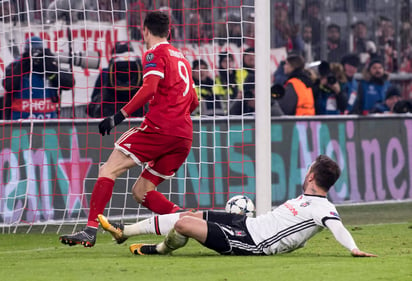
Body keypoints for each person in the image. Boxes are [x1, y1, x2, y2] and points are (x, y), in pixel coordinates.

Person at [59, 11, 199, 247]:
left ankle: (90, 229)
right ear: (169, 32)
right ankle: (185, 220)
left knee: (108, 169)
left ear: (144, 30)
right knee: (141, 191)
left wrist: (118, 116)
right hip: (183, 135)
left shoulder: (155, 53)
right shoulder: (182, 59)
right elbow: (194, 102)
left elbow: (149, 88)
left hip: (159, 128)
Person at [98, 155, 377, 258]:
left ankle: (157, 250)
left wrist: (352, 248)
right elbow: (296, 231)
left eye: (309, 169)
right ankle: (124, 232)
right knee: (189, 215)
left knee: (184, 225)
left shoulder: (323, 208)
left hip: (252, 242)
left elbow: (336, 226)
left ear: (311, 176)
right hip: (247, 224)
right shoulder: (305, 200)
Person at [2, 36, 75, 120]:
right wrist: (23, 64)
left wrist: (50, 68)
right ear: (26, 51)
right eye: (32, 52)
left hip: (48, 122)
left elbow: (69, 83)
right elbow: (8, 85)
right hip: (19, 123)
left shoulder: (49, 65)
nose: (35, 55)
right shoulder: (16, 66)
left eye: (39, 51)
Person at [87, 41, 144, 118]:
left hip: (109, 116)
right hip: (134, 112)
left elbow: (93, 101)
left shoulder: (105, 73)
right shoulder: (140, 71)